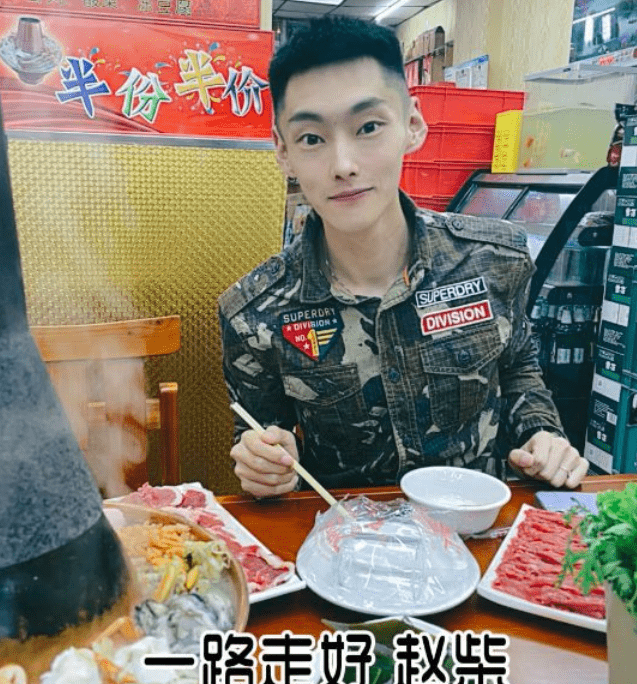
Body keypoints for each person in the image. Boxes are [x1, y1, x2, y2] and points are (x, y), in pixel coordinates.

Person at [218, 16, 588, 498]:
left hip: (477, 526)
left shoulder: (494, 260)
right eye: (312, 138)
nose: (343, 165)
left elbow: (519, 368)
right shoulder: (254, 313)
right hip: (345, 534)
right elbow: (259, 431)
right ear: (282, 151)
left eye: (368, 127)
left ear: (412, 125)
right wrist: (264, 462)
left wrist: (543, 433)